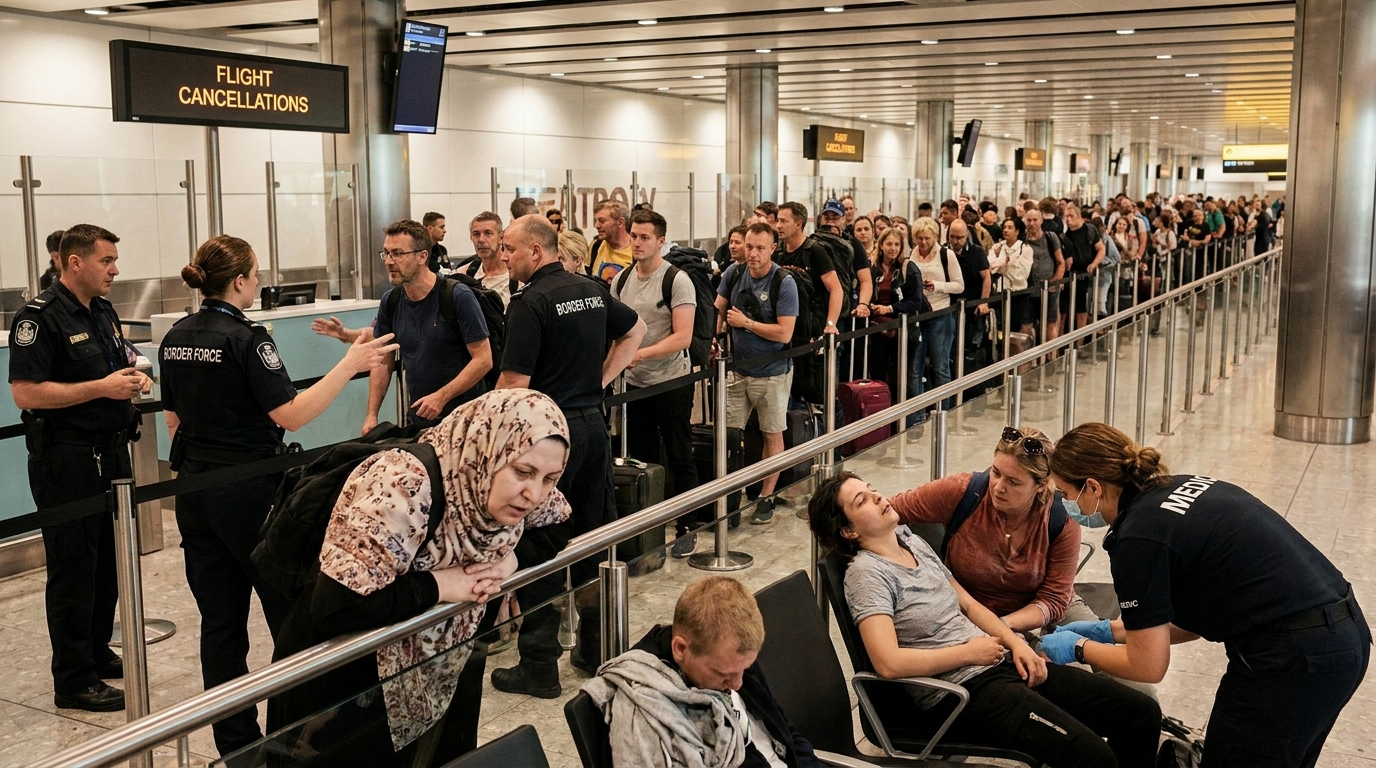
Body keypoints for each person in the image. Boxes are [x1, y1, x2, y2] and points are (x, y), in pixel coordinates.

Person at [159, 234, 397, 756]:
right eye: (256, 273)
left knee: (220, 624)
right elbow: (291, 414)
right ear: (241, 280)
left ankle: (236, 746)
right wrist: (349, 365)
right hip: (248, 487)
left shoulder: (176, 335)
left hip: (194, 487)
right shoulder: (247, 338)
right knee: (286, 609)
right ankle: (293, 738)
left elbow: (173, 420)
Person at [267, 389, 572, 766]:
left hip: (440, 668)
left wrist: (507, 562)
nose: (534, 494)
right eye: (523, 472)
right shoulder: (403, 481)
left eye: (549, 478)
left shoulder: (505, 486)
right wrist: (443, 585)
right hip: (345, 678)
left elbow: (558, 524)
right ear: (485, 449)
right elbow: (337, 604)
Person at [1043, 423, 1370, 768]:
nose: (1065, 505)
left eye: (1065, 494)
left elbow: (1149, 665)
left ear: (1092, 487)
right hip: (1341, 640)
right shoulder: (1177, 487)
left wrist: (1078, 649)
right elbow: (1196, 618)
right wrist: (1113, 632)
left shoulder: (1138, 539)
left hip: (1290, 659)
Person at [807, 471, 1162, 768]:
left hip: (998, 664)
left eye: (871, 490)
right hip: (960, 693)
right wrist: (970, 653)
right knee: (1092, 757)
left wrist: (1015, 644)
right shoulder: (867, 575)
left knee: (1140, 712)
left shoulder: (910, 542)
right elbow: (887, 663)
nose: (877, 496)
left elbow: (971, 606)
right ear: (848, 532)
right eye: (861, 501)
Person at [492, 214, 646, 695]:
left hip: (545, 440)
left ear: (536, 251)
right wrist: (598, 382)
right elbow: (635, 330)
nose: (505, 257)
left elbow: (512, 385)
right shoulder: (591, 289)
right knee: (593, 538)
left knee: (539, 545)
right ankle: (596, 648)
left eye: (511, 249)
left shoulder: (530, 302)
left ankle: (539, 664)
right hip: (591, 427)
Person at [9, 224, 152, 712]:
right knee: (74, 569)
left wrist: (132, 379)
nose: (115, 269)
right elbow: (26, 393)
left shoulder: (103, 310)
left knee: (109, 565)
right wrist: (101, 389)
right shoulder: (39, 319)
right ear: (74, 263)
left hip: (111, 451)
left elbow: (113, 364)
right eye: (106, 261)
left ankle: (93, 651)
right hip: (67, 458)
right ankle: (72, 678)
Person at [584, 576, 823, 768]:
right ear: (681, 649)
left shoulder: (731, 660)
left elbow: (787, 734)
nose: (737, 684)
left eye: (745, 669)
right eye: (724, 674)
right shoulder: (647, 703)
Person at [314, 220, 492, 431]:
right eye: (386, 253)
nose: (389, 261)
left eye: (398, 253)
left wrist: (441, 397)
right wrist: (372, 416)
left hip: (467, 420)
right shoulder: (391, 300)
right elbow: (383, 361)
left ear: (422, 257)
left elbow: (483, 360)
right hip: (421, 421)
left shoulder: (456, 295)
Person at [610, 209, 700, 558]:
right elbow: (617, 331)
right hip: (635, 384)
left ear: (661, 241)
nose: (636, 242)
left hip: (671, 381)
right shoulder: (621, 280)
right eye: (633, 235)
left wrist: (639, 354)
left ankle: (688, 523)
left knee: (679, 453)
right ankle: (647, 527)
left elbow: (683, 337)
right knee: (641, 456)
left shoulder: (676, 280)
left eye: (645, 237)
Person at [716, 222, 798, 525]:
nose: (752, 253)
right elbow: (720, 309)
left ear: (772, 249)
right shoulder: (734, 273)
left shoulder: (784, 282)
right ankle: (730, 495)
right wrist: (717, 338)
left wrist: (746, 324)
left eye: (760, 248)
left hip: (772, 372)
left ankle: (766, 496)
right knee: (728, 434)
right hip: (737, 370)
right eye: (749, 246)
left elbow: (784, 333)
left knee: (771, 433)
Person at [907, 216, 962, 429]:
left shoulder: (946, 255)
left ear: (935, 237)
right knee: (914, 368)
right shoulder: (911, 255)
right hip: (918, 316)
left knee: (940, 366)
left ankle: (943, 411)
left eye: (927, 238)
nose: (923, 243)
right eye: (919, 238)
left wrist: (937, 285)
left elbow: (959, 285)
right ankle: (916, 416)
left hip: (940, 315)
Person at [865, 227, 924, 401]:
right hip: (876, 330)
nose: (893, 248)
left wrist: (890, 308)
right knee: (877, 375)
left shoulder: (908, 268)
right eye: (889, 243)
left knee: (902, 377)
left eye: (897, 244)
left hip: (901, 330)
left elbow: (916, 301)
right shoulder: (872, 268)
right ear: (881, 245)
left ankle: (903, 418)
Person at [776, 201, 842, 337]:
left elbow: (836, 289)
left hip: (811, 325)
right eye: (778, 220)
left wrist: (830, 324)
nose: (778, 226)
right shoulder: (778, 252)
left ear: (798, 224)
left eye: (783, 221)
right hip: (786, 324)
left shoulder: (815, 251)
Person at [1021, 208, 1065, 341]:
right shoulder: (1022, 239)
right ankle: (1026, 361)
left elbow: (1060, 262)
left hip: (1049, 290)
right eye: (1029, 220)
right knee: (1025, 327)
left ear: (1041, 220)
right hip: (1027, 291)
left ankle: (1051, 358)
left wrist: (1055, 281)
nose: (1032, 223)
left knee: (1050, 324)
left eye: (1035, 220)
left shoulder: (1050, 238)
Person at [1059, 204, 1103, 333]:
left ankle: (1080, 342)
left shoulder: (1089, 230)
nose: (1068, 219)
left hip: (1083, 275)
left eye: (1071, 216)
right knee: (1062, 310)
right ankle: (1060, 342)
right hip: (1068, 276)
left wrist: (1094, 264)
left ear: (1079, 217)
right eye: (1066, 216)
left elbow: (1101, 249)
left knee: (1081, 309)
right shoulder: (1064, 235)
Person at [459, 211, 516, 308]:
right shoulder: (464, 274)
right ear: (471, 237)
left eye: (488, 233)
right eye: (476, 234)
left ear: (501, 237)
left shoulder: (517, 276)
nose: (481, 240)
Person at [589, 200, 633, 283]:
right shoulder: (596, 245)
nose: (597, 226)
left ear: (620, 222)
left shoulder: (637, 249)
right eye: (596, 221)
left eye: (602, 221)